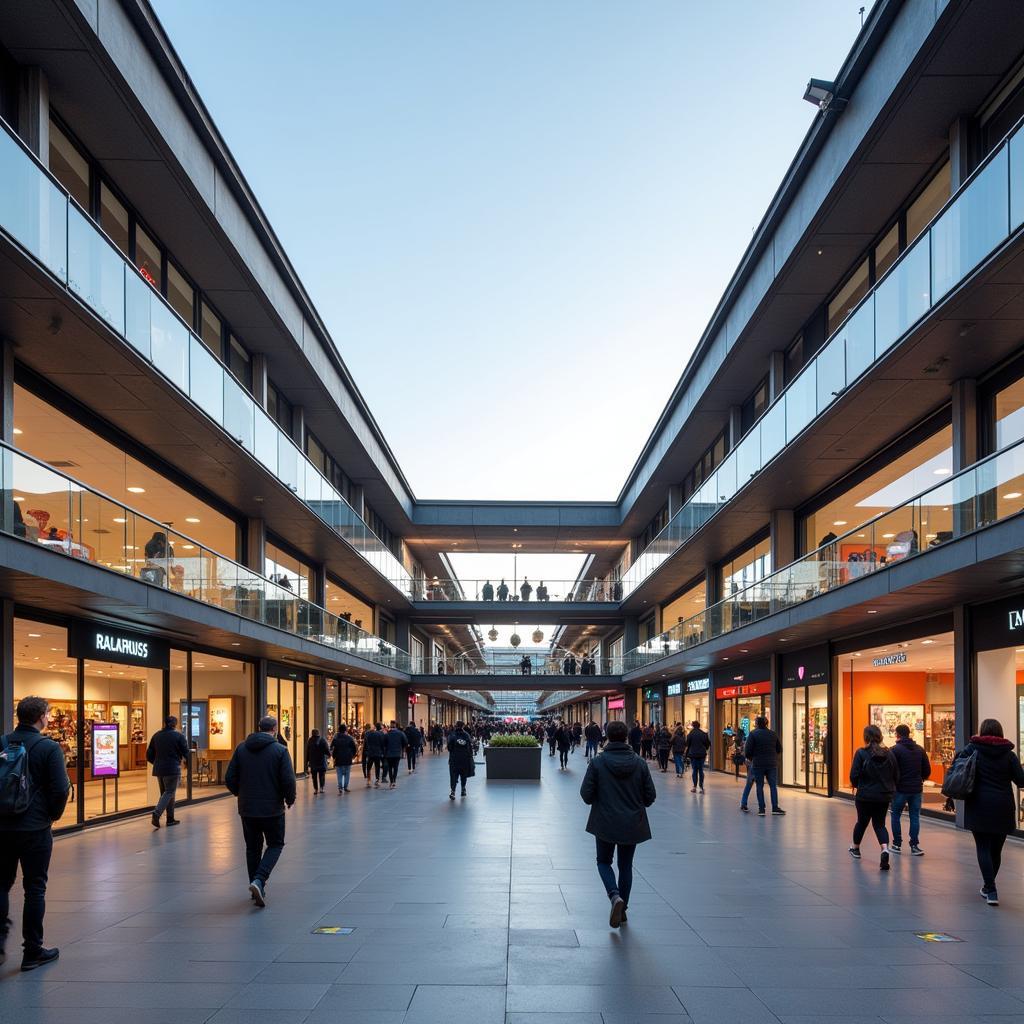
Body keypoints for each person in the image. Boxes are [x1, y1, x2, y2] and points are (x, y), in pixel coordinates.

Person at [0, 696, 70, 971]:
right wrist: (51, 815)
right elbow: (60, 789)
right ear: (41, 717)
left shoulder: (2, 743)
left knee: (1, 884)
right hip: (35, 829)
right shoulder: (48, 748)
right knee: (35, 888)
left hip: (2, 827)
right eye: (48, 714)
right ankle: (32, 950)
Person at [579, 720, 656, 929]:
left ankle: (614, 897)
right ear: (627, 737)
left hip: (604, 822)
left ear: (607, 736)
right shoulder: (639, 763)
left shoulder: (597, 762)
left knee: (604, 861)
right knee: (625, 866)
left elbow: (586, 795)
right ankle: (624, 909)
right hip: (632, 823)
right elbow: (650, 796)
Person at [224, 715, 296, 907]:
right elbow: (288, 779)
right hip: (272, 808)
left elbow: (230, 777)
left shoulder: (241, 748)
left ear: (258, 728)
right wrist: (290, 799)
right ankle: (259, 880)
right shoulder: (280, 750)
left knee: (252, 847)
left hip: (247, 808)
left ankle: (256, 886)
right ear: (275, 729)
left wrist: (240, 793)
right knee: (275, 844)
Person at [960, 718, 1024, 906]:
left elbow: (957, 765)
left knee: (983, 847)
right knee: (996, 848)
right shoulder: (1009, 755)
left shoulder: (973, 750)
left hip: (979, 804)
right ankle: (989, 887)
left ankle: (991, 888)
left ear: (981, 731)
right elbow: (1021, 781)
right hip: (1003, 805)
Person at [849, 724, 898, 870]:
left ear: (866, 737)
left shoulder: (861, 753)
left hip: (865, 795)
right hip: (883, 796)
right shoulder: (889, 754)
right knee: (880, 824)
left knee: (862, 822)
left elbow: (853, 775)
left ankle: (855, 848)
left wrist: (859, 785)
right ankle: (884, 849)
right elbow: (896, 775)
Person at [889, 723, 931, 855]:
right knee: (914, 817)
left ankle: (896, 844)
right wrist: (920, 779)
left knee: (895, 815)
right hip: (916, 789)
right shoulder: (920, 749)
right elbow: (927, 770)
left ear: (897, 734)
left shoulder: (895, 750)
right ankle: (914, 845)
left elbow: (891, 770)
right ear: (909, 733)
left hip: (900, 789)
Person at [146, 715, 190, 828]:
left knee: (166, 794)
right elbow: (186, 752)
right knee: (170, 792)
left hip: (159, 769)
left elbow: (149, 754)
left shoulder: (156, 735)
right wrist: (187, 764)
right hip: (172, 768)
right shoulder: (178, 736)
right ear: (175, 724)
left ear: (165, 723)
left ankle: (170, 819)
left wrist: (156, 763)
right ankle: (157, 813)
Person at [741, 716, 785, 816]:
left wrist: (751, 758)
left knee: (759, 786)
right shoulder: (773, 734)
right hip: (771, 764)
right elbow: (779, 749)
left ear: (757, 724)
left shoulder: (753, 734)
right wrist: (773, 756)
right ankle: (775, 807)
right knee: (773, 786)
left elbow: (748, 750)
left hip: (758, 763)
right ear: (766, 723)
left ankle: (762, 809)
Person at [447, 720, 475, 799]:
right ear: (463, 726)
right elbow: (470, 748)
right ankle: (463, 789)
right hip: (464, 759)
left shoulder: (452, 735)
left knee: (453, 776)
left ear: (456, 726)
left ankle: (453, 792)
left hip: (454, 759)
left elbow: (449, 748)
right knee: (463, 775)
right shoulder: (467, 735)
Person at [684, 720, 711, 793]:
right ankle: (701, 787)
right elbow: (708, 744)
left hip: (693, 754)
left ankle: (694, 786)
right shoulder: (703, 734)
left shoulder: (690, 734)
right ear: (699, 726)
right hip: (702, 754)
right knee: (701, 770)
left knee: (695, 770)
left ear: (693, 726)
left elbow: (687, 744)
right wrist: (704, 748)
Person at [329, 724, 357, 793]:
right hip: (348, 758)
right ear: (345, 730)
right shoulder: (349, 738)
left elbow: (331, 747)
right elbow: (354, 748)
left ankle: (340, 787)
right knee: (347, 773)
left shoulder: (336, 739)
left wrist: (333, 756)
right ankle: (346, 787)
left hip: (338, 758)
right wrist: (352, 755)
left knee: (339, 773)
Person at [384, 721, 408, 789]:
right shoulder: (400, 733)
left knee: (390, 768)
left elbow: (384, 743)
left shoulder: (387, 734)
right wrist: (402, 747)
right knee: (396, 767)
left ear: (390, 726)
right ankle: (394, 781)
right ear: (396, 726)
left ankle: (391, 781)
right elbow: (405, 741)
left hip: (389, 753)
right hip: (397, 753)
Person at [305, 729, 329, 795]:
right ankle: (321, 788)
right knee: (322, 775)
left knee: (314, 776)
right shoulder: (322, 740)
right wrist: (329, 755)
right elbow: (326, 749)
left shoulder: (310, 741)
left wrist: (306, 761)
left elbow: (307, 752)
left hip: (313, 762)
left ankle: (315, 789)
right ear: (318, 733)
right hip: (321, 760)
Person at [363, 722, 386, 788]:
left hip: (370, 753)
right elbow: (382, 744)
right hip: (377, 753)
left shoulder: (368, 734)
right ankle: (377, 780)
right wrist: (382, 752)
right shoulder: (379, 734)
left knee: (369, 767)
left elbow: (366, 744)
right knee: (377, 766)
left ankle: (368, 781)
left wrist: (366, 752)